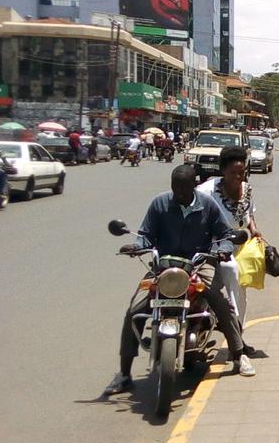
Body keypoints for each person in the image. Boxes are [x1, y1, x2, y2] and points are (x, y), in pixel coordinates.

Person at [104, 165, 253, 395]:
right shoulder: (160, 204)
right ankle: (124, 374)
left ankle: (239, 354)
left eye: (185, 187)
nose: (180, 193)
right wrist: (137, 246)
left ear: (194, 184)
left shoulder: (207, 205)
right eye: (176, 187)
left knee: (219, 302)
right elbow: (145, 235)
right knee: (135, 309)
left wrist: (223, 249)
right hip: (164, 267)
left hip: (199, 264)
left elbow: (224, 234)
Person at [197, 146, 262, 327]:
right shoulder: (206, 191)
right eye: (233, 172)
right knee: (231, 273)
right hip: (214, 247)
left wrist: (254, 229)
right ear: (223, 170)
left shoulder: (247, 189)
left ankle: (238, 332)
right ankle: (224, 326)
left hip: (240, 244)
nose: (238, 177)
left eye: (241, 172)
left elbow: (249, 213)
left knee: (241, 292)